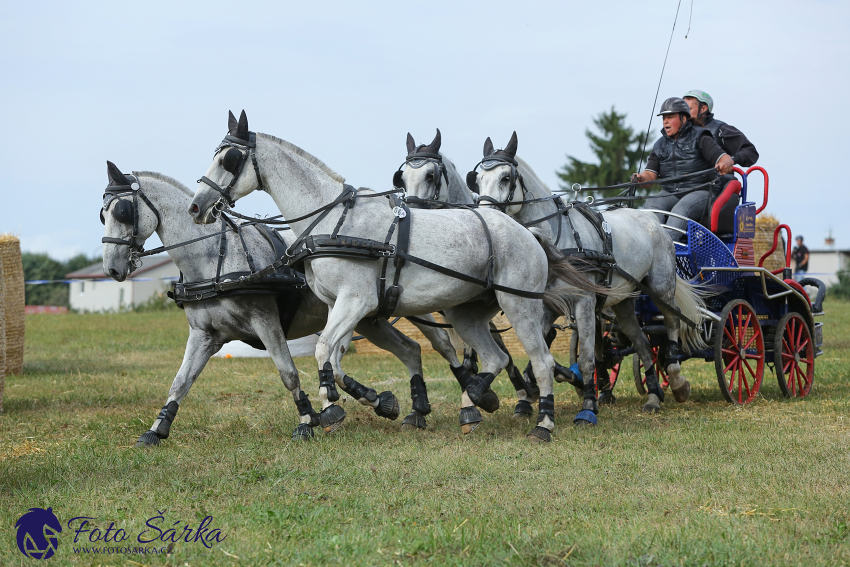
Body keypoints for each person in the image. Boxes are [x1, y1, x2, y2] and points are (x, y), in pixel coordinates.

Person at [631, 97, 734, 240]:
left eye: (670, 117)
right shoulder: (659, 145)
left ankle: (667, 247)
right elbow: (650, 176)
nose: (665, 121)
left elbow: (725, 158)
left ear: (684, 119)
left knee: (680, 209)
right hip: (671, 192)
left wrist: (725, 164)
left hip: (701, 190)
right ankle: (653, 243)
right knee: (652, 204)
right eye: (664, 118)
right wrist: (641, 178)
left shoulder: (701, 137)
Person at [683, 90, 759, 168]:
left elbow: (750, 152)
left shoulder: (721, 130)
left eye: (688, 109)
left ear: (703, 109)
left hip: (718, 178)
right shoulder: (677, 132)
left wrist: (729, 160)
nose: (684, 114)